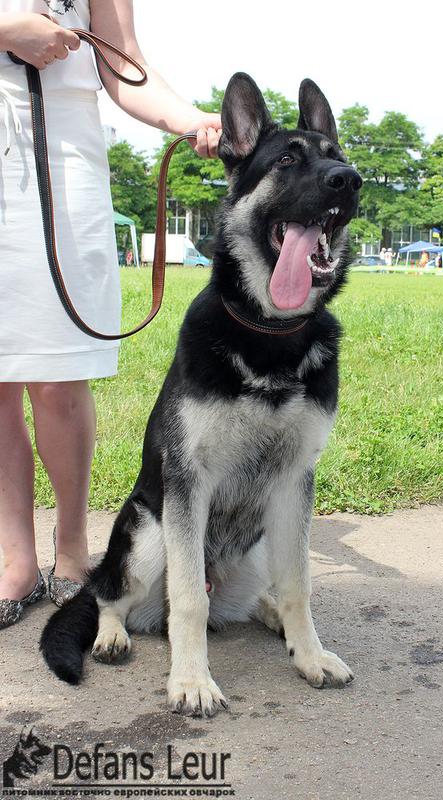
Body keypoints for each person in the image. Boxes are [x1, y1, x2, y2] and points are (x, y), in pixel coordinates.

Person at [0, 1, 222, 628]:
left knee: (56, 376)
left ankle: (72, 549)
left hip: (64, 156)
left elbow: (126, 66)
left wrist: (188, 119)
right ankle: (14, 560)